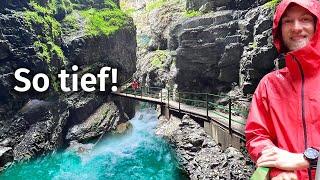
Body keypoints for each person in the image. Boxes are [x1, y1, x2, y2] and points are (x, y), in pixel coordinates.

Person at [245, 0, 320, 179]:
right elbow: (257, 135)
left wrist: (307, 160)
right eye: (287, 21)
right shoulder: (269, 85)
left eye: (305, 19)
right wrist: (277, 168)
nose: (296, 27)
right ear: (279, 29)